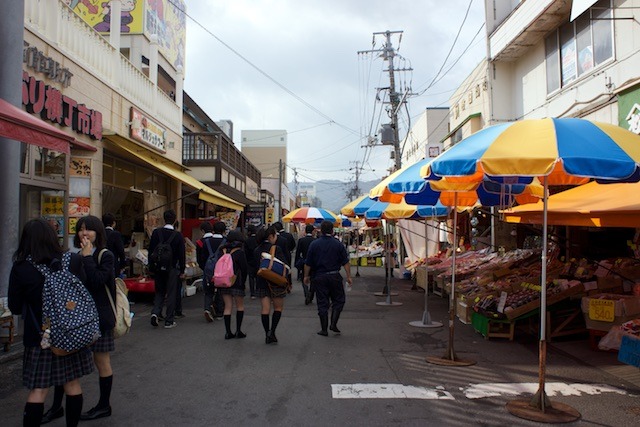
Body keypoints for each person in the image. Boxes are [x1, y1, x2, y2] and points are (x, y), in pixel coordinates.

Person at [8, 219, 93, 426]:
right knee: (72, 384)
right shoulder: (71, 261)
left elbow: (16, 307)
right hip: (70, 333)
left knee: (38, 390)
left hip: (40, 338)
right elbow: (83, 292)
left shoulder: (21, 268)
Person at [74, 215, 117, 421]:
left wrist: (87, 257)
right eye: (81, 229)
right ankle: (59, 405)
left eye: (88, 229)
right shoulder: (77, 255)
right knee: (69, 360)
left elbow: (98, 281)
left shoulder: (104, 255)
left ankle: (104, 405)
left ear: (97, 232)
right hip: (77, 317)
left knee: (102, 361)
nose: (84, 233)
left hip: (99, 316)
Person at [304, 220, 352, 336]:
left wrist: (306, 276)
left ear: (321, 230)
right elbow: (345, 262)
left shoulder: (314, 244)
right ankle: (333, 323)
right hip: (335, 275)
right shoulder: (338, 244)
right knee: (339, 300)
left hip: (319, 276)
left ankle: (324, 329)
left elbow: (308, 262)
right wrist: (349, 276)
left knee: (322, 302)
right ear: (332, 230)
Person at [148, 209, 185, 329]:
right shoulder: (178, 235)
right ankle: (169, 320)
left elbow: (151, 251)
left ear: (164, 219)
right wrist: (182, 270)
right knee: (171, 293)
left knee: (159, 292)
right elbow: (181, 255)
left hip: (158, 268)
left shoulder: (156, 233)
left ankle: (155, 312)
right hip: (172, 268)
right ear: (175, 220)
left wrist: (151, 267)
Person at [253, 225, 289, 344]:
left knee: (265, 309)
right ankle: (272, 332)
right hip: (276, 282)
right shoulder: (276, 248)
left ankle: (266, 333)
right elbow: (285, 265)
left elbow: (254, 268)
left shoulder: (257, 250)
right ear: (271, 236)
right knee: (278, 308)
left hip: (262, 281)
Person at [215, 230, 249, 339]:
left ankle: (228, 332)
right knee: (239, 306)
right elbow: (244, 269)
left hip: (224, 282)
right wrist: (243, 282)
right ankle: (238, 330)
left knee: (228, 306)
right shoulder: (239, 252)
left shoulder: (222, 250)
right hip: (237, 282)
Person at [195, 221, 227, 321]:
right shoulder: (226, 242)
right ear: (224, 231)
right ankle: (219, 312)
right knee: (221, 290)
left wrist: (205, 268)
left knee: (208, 291)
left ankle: (207, 308)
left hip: (208, 269)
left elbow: (202, 258)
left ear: (214, 230)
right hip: (221, 270)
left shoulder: (206, 242)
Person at [294, 224, 316, 305]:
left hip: (304, 262)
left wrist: (296, 263)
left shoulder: (301, 240)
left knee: (304, 278)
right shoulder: (315, 240)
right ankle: (311, 294)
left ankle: (306, 293)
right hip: (314, 263)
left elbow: (297, 253)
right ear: (313, 231)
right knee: (313, 279)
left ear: (306, 231)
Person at [102, 213, 126, 277]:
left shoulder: (100, 234)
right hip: (113, 263)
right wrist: (122, 265)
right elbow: (121, 251)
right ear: (114, 223)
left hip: (101, 263)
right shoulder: (115, 234)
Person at [244, 225, 259, 299]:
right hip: (258, 260)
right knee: (258, 276)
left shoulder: (247, 240)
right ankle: (258, 290)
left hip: (249, 261)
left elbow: (245, 252)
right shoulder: (258, 239)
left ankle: (252, 293)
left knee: (251, 277)